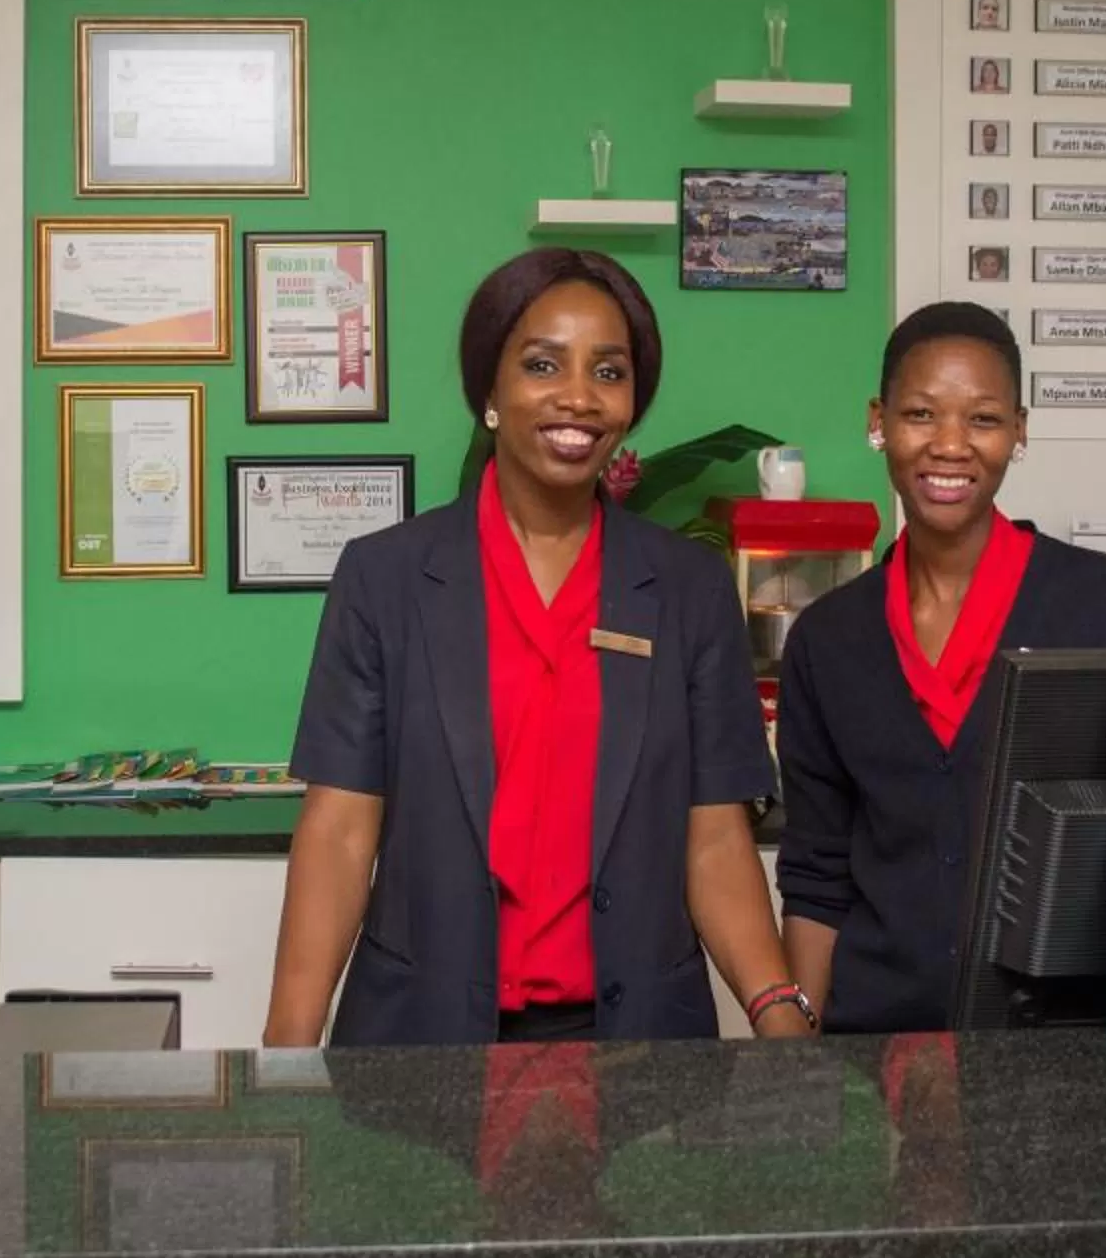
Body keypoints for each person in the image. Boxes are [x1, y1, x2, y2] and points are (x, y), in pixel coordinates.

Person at [264, 249, 811, 1046]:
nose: (578, 398)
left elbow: (715, 835)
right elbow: (341, 829)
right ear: (490, 388)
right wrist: (285, 1053)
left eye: (610, 372)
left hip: (638, 1054)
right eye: (543, 364)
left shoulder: (688, 588)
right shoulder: (386, 578)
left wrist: (777, 1010)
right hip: (423, 1050)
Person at [773, 303, 1106, 1032]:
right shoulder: (826, 640)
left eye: (984, 420)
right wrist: (799, 1063)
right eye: (922, 414)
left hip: (1071, 1051)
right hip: (878, 1044)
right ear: (880, 420)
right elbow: (817, 876)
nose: (950, 446)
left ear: (1020, 430)